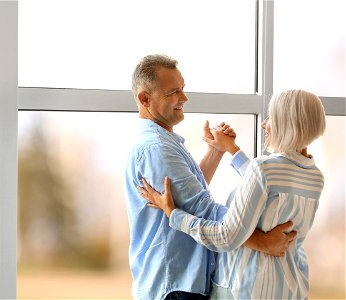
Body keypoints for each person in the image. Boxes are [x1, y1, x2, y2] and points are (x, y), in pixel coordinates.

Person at [124, 54, 295, 300]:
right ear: (144, 98)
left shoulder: (164, 142)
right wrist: (263, 242)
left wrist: (215, 152)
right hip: (174, 286)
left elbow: (191, 198)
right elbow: (204, 210)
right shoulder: (156, 149)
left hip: (180, 283)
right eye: (173, 92)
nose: (184, 98)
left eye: (182, 89)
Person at [139, 89, 326, 299]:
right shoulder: (315, 176)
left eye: (271, 117)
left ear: (287, 122)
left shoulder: (264, 169)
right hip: (293, 288)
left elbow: (226, 237)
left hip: (243, 289)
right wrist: (230, 148)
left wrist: (173, 213)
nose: (264, 124)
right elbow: (270, 186)